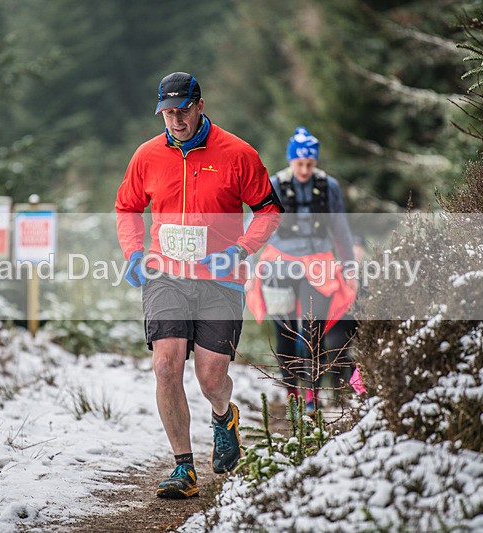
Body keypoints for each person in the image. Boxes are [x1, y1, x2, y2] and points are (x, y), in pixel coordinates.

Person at [115, 72, 282, 499]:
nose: (176, 120)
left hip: (220, 280)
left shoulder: (238, 153)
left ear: (200, 105)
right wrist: (134, 252)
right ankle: (183, 467)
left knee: (211, 378)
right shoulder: (148, 155)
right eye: (168, 113)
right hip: (165, 275)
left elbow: (268, 210)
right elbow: (127, 207)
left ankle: (224, 415)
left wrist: (241, 250)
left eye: (183, 110)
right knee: (166, 366)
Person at [245, 126, 358, 413]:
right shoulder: (275, 185)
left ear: (316, 161)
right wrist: (246, 266)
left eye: (310, 163)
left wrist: (348, 267)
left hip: (319, 264)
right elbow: (254, 226)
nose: (305, 169)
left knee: (313, 330)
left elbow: (340, 230)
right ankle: (292, 391)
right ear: (291, 160)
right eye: (300, 163)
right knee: (284, 329)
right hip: (280, 264)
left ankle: (313, 393)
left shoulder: (328, 186)